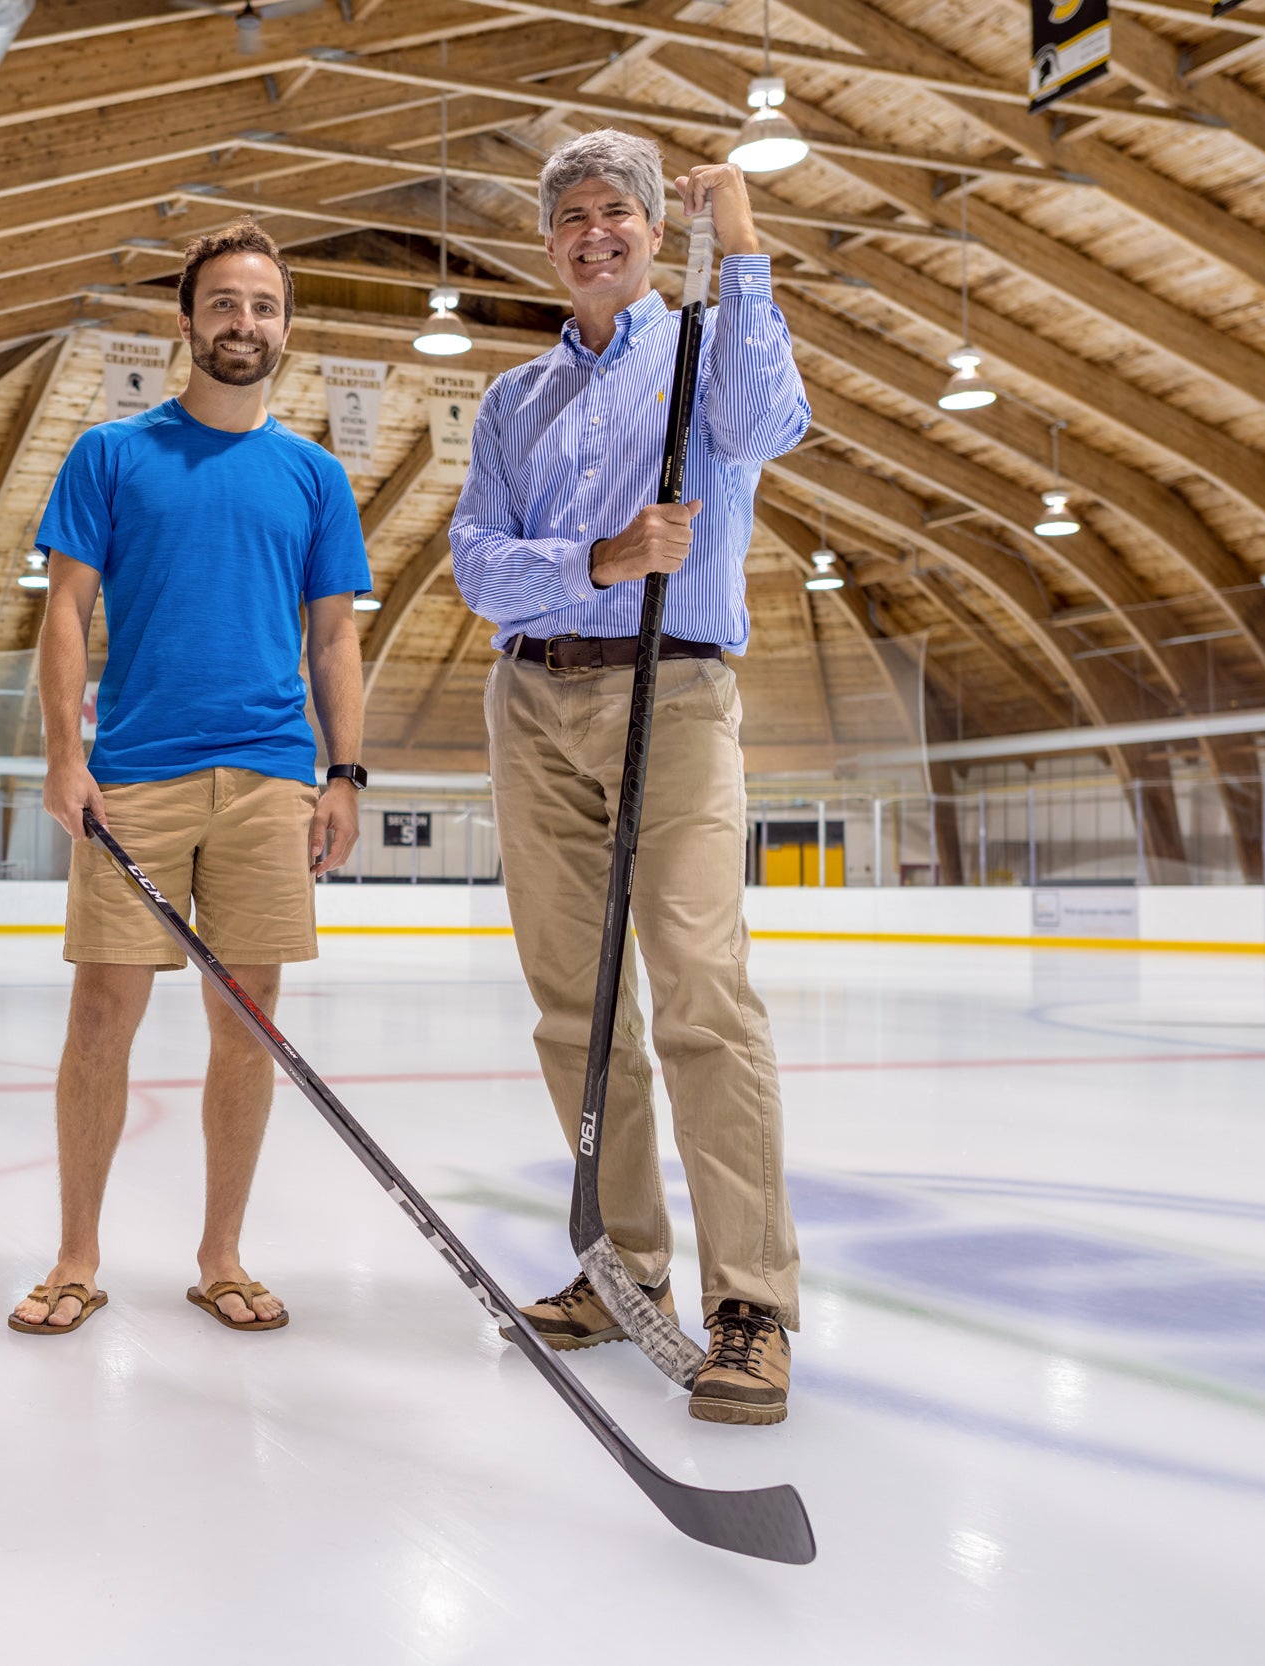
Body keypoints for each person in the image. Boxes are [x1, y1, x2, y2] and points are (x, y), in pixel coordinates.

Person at [450, 131, 809, 1423]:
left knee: (701, 993)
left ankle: (750, 1301)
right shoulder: (509, 400)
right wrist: (598, 560)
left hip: (677, 689)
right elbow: (479, 564)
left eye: (618, 213)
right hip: (533, 693)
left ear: (658, 233)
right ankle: (621, 1265)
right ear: (547, 244)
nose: (593, 232)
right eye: (571, 217)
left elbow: (772, 423)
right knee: (572, 1002)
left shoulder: (706, 352)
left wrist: (748, 244)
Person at [9, 221, 371, 1338]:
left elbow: (332, 641)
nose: (242, 323)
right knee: (102, 1015)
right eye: (222, 303)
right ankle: (77, 1251)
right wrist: (65, 754)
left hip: (269, 780)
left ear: (286, 328)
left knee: (246, 1022)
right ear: (186, 320)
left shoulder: (314, 475)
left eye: (262, 306)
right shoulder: (112, 455)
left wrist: (343, 770)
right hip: (137, 778)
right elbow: (64, 608)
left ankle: (220, 1252)